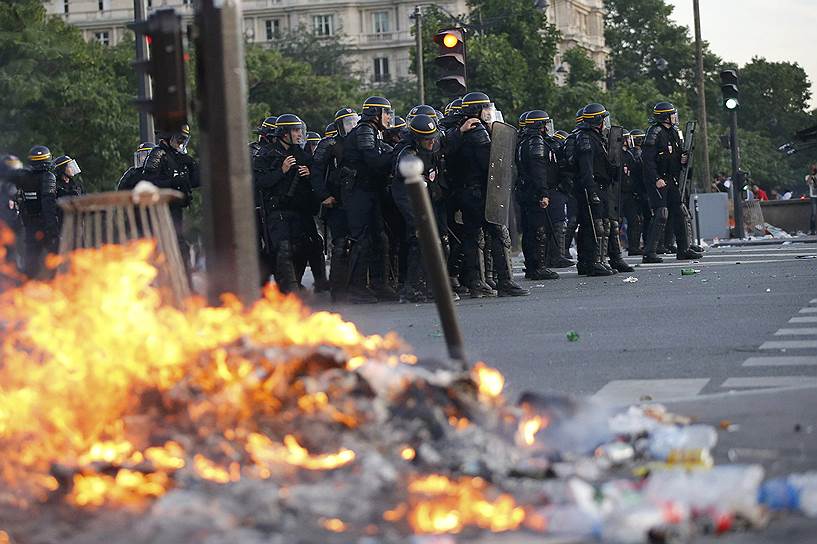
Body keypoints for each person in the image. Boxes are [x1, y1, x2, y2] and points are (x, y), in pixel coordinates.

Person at [445, 91, 529, 297]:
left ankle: (477, 283)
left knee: (473, 238)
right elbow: (490, 164)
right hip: (482, 193)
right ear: (477, 110)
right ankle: (505, 282)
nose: (489, 112)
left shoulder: (459, 130)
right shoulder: (478, 131)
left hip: (466, 193)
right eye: (486, 108)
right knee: (500, 235)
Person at [390, 114, 455, 302]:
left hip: (429, 206)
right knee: (418, 246)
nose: (431, 142)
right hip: (413, 209)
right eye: (427, 139)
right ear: (418, 139)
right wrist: (415, 220)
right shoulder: (407, 157)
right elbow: (401, 194)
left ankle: (429, 287)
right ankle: (412, 289)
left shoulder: (431, 148)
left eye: (432, 138)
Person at [339, 96, 399, 303]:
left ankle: (379, 283)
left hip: (369, 191)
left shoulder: (375, 132)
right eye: (386, 112)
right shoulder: (365, 130)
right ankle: (356, 287)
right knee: (362, 239)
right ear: (375, 113)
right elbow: (373, 161)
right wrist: (397, 153)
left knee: (379, 238)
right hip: (358, 192)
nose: (389, 117)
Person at [252, 113, 315, 294]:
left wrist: (308, 173)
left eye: (299, 130)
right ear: (284, 133)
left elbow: (315, 180)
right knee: (283, 249)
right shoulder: (265, 155)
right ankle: (288, 290)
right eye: (295, 131)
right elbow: (261, 182)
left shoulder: (302, 154)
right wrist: (282, 170)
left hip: (299, 210)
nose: (298, 134)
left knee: (302, 248)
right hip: (276, 211)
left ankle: (296, 283)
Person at [641, 102, 702, 263]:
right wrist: (656, 179)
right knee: (661, 214)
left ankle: (683, 249)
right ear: (664, 116)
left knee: (679, 211)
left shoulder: (674, 133)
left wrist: (682, 159)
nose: (675, 117)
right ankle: (649, 252)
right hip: (657, 180)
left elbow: (675, 155)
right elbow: (647, 161)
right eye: (672, 114)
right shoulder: (654, 132)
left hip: (670, 179)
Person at [311, 108, 359, 300]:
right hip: (336, 201)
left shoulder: (360, 142)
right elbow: (316, 172)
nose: (352, 126)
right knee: (341, 244)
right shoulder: (330, 144)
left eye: (354, 121)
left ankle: (355, 286)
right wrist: (324, 195)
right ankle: (338, 291)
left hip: (355, 199)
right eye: (348, 123)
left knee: (359, 243)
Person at [142, 123, 201, 274]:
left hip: (176, 211)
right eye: (179, 139)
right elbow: (148, 183)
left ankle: (185, 286)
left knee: (182, 249)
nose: (181, 143)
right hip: (160, 211)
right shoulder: (158, 154)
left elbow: (195, 182)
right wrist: (172, 183)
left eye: (184, 139)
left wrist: (193, 165)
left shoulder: (179, 157)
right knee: (165, 248)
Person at [568, 103, 615, 276]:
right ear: (597, 120)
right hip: (591, 187)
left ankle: (596, 261)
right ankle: (593, 262)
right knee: (594, 227)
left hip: (599, 186)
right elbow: (586, 168)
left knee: (598, 225)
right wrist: (591, 190)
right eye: (603, 118)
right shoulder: (586, 138)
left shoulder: (595, 136)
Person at [515, 109, 561, 280]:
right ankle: (539, 266)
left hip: (525, 191)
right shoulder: (536, 142)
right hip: (535, 192)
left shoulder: (522, 142)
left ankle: (531, 266)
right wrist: (543, 193)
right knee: (539, 230)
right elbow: (539, 169)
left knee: (528, 230)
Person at [16, 146, 58, 278]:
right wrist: (52, 227)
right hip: (44, 223)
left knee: (31, 259)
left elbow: (21, 200)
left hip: (30, 223)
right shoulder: (48, 177)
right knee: (56, 257)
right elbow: (48, 203)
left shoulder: (25, 177)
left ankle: (25, 288)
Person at [623, 129, 645, 255]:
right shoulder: (624, 154)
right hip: (621, 193)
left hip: (630, 192)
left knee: (634, 220)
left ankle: (634, 247)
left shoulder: (629, 155)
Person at [807, 164, 817, 235]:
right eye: (813, 169)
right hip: (813, 196)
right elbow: (808, 182)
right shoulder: (808, 176)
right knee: (813, 214)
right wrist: (811, 174)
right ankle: (812, 230)